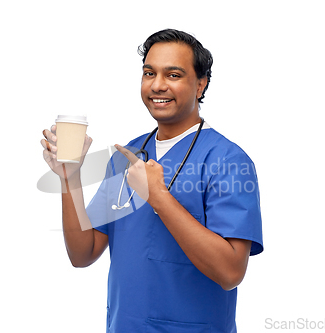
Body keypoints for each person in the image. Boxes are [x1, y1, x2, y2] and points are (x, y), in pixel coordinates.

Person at [41, 29, 263, 333]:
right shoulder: (126, 156)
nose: (157, 85)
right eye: (149, 73)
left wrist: (158, 196)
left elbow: (230, 272)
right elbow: (83, 253)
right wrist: (70, 178)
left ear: (201, 85)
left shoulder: (227, 161)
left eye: (173, 75)